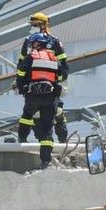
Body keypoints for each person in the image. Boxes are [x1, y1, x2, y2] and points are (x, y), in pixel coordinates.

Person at [17, 13, 69, 143]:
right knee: (35, 116)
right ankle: (43, 143)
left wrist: (63, 82)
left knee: (58, 111)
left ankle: (63, 141)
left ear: (43, 25)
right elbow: (21, 63)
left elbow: (63, 65)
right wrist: (20, 82)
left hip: (52, 86)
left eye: (34, 25)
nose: (32, 28)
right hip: (32, 85)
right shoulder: (28, 41)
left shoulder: (55, 41)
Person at [16, 34, 64, 169]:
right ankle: (45, 161)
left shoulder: (32, 56)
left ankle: (23, 140)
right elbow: (59, 76)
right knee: (48, 128)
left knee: (26, 117)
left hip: (33, 95)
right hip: (50, 97)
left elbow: (20, 73)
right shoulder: (54, 57)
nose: (32, 45)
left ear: (38, 43)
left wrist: (22, 89)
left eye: (33, 43)